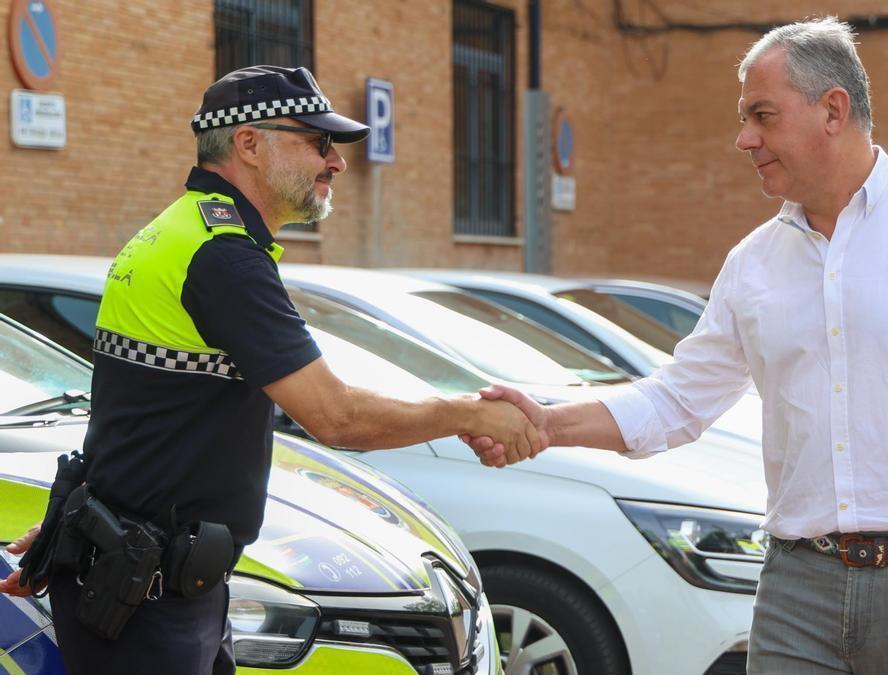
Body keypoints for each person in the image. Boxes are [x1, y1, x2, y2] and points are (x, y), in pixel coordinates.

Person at [463, 18, 888, 674]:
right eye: (745, 119)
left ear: (833, 110)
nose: (744, 139)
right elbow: (676, 401)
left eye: (763, 116)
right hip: (797, 590)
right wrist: (546, 424)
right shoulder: (753, 263)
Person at [0, 65, 543, 674]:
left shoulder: (178, 231)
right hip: (148, 596)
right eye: (317, 141)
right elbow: (335, 417)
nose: (336, 162)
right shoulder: (222, 256)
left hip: (149, 580)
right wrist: (468, 413)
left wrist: (72, 524)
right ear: (248, 143)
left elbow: (133, 411)